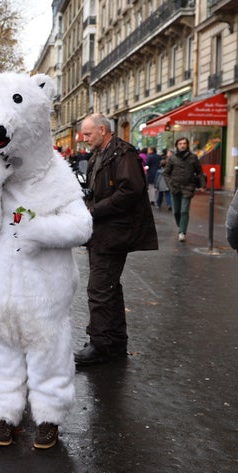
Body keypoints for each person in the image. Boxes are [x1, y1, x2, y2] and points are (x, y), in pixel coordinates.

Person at [75, 114, 158, 365]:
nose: (84, 139)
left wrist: (96, 210)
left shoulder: (123, 153)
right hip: (101, 230)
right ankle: (116, 342)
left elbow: (130, 190)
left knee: (99, 289)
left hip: (114, 232)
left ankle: (99, 345)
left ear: (102, 130)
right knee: (110, 288)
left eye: (88, 134)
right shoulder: (99, 153)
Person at [162, 137, 204, 242]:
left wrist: (202, 185)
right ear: (177, 145)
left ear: (187, 145)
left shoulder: (193, 157)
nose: (182, 145)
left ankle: (182, 231)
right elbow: (166, 173)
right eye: (180, 143)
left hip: (188, 187)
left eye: (184, 143)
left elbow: (199, 172)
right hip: (175, 187)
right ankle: (181, 225)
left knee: (184, 210)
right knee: (176, 211)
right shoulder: (173, 158)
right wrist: (169, 184)